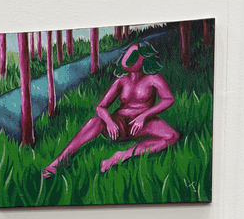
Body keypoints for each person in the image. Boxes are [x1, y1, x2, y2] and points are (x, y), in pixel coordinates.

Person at [41, 44, 178, 179]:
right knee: (94, 121)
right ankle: (59, 161)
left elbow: (168, 99)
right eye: (128, 55)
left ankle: (123, 155)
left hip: (144, 123)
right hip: (120, 123)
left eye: (135, 55)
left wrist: (144, 116)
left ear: (145, 58)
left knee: (172, 136)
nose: (128, 59)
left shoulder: (153, 79)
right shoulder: (121, 80)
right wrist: (109, 122)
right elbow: (100, 107)